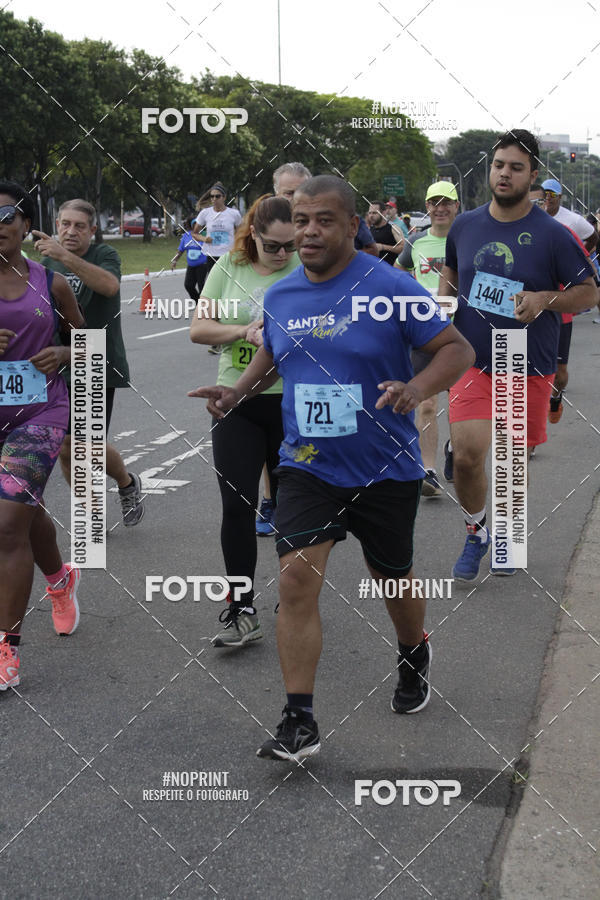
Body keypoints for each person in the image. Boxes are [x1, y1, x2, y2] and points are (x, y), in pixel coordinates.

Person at [190, 175, 475, 760]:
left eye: (323, 220)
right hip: (307, 464)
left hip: (382, 466)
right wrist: (238, 393)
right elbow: (275, 352)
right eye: (300, 221)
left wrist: (415, 386)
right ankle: (300, 720)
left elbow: (458, 349)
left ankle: (413, 650)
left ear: (352, 226)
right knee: (296, 580)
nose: (309, 231)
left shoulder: (391, 286)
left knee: (392, 577)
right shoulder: (284, 296)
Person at [439, 130, 597, 582]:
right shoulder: (466, 225)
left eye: (515, 167)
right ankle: (477, 530)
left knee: (509, 459)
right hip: (471, 355)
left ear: (533, 176)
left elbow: (589, 293)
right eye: (498, 165)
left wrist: (544, 298)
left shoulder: (553, 235)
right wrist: (440, 317)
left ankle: (507, 535)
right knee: (468, 456)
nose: (504, 174)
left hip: (524, 358)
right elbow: (451, 271)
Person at [189, 194, 300, 648]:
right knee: (237, 506)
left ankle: (296, 599)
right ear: (252, 234)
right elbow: (199, 329)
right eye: (273, 245)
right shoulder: (228, 268)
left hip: (291, 404)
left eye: (289, 246)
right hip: (235, 401)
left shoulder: (304, 270)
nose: (282, 255)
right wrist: (243, 331)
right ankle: (241, 609)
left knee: (295, 512)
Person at [0, 182, 85, 690]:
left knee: (7, 523)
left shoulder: (51, 283)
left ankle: (6, 646)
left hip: (40, 414)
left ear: (24, 225)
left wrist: (67, 354)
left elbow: (85, 340)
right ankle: (60, 580)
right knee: (24, 516)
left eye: (7, 215)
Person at [33, 200, 145, 527]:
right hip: (59, 364)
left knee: (84, 444)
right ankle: (91, 513)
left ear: (92, 231)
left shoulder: (104, 255)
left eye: (79, 226)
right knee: (68, 447)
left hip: (96, 361)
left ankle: (126, 482)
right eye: (65, 224)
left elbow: (109, 286)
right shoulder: (46, 264)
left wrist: (64, 256)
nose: (70, 231)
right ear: (56, 223)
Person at [396, 181, 460, 496]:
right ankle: (428, 471)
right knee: (426, 404)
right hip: (425, 333)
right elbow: (399, 271)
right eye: (434, 203)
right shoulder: (416, 242)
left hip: (462, 334)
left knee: (463, 405)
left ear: (456, 207)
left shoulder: (465, 241)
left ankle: (453, 448)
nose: (440, 208)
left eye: (446, 202)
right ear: (427, 207)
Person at [194, 184, 242, 355]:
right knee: (214, 296)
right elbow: (194, 233)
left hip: (229, 258)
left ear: (224, 197)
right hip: (212, 258)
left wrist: (238, 247)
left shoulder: (233, 214)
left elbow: (241, 233)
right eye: (212, 196)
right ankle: (217, 340)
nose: (214, 199)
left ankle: (230, 333)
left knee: (228, 295)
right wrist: (203, 238)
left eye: (217, 196)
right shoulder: (205, 213)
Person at [541, 178, 596, 250]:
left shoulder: (574, 220)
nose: (548, 197)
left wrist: (578, 257)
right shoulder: (532, 217)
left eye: (552, 194)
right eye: (545, 194)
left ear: (559, 197)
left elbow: (593, 238)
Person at [170, 217, 207, 302]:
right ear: (191, 226)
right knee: (188, 285)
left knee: (201, 286)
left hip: (202, 265)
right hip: (191, 265)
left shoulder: (203, 235)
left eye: (198, 225)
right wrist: (174, 261)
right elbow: (180, 251)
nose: (196, 227)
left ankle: (205, 307)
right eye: (194, 225)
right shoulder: (186, 236)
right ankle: (198, 302)